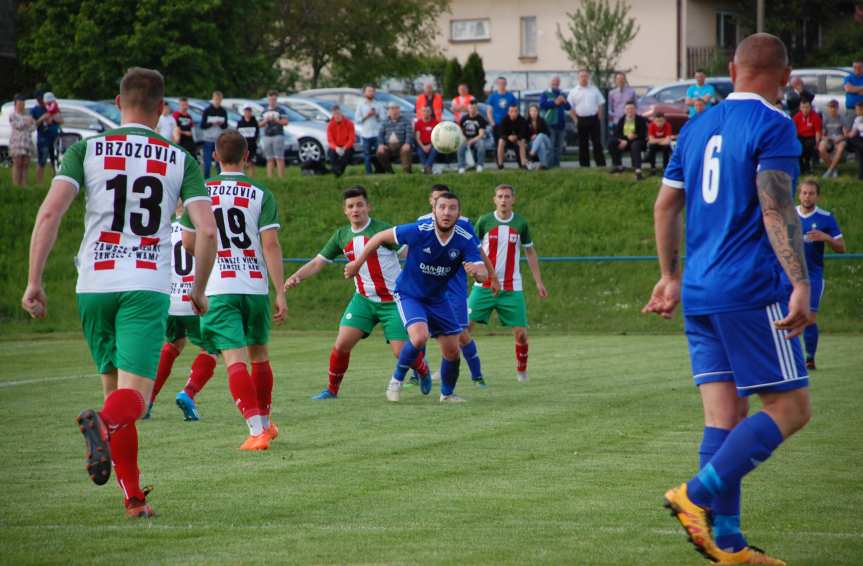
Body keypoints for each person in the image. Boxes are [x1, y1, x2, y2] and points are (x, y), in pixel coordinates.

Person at [643, 33, 812, 565]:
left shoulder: (694, 127)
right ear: (784, 78)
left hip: (700, 290)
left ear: (731, 69)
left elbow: (665, 205)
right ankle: (693, 496)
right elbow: (776, 207)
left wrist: (669, 277)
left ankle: (731, 544)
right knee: (791, 408)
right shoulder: (774, 125)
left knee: (724, 420)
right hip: (750, 289)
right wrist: (801, 283)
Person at [21, 67, 217, 518]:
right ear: (163, 109)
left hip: (93, 284)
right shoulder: (179, 158)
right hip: (144, 285)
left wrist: (34, 281)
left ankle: (132, 499)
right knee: (134, 400)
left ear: (116, 102)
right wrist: (200, 289)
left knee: (115, 390)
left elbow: (49, 215)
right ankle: (103, 426)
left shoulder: (85, 149)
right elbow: (205, 230)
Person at [180, 129, 286, 451]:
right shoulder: (261, 193)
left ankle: (256, 431)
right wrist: (280, 291)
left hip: (220, 286)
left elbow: (187, 242)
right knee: (260, 355)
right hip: (254, 286)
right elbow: (271, 244)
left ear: (214, 156)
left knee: (234, 359)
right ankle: (266, 423)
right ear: (247, 157)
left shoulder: (201, 193)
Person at [285, 186, 432, 400]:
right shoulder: (341, 235)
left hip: (393, 301)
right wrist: (296, 276)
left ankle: (423, 370)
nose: (356, 210)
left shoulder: (382, 231)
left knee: (402, 353)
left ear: (368, 207)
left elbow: (407, 252)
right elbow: (318, 262)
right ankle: (331, 390)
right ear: (345, 211)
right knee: (342, 344)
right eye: (351, 206)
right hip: (363, 300)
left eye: (360, 205)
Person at [344, 192, 488, 403]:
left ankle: (447, 395)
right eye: (442, 207)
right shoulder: (419, 230)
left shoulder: (464, 238)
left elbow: (482, 272)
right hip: (409, 294)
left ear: (459, 213)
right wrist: (357, 264)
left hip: (438, 299)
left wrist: (477, 272)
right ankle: (397, 379)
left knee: (452, 351)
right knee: (419, 337)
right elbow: (378, 237)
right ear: (434, 210)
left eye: (452, 208)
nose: (446, 212)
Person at [145, 202, 219, 421]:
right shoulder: (200, 228)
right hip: (195, 297)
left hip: (170, 300)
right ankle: (189, 392)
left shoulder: (163, 230)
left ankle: (148, 400)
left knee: (174, 343)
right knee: (212, 347)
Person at [419, 185, 498, 389]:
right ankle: (417, 373)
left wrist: (491, 276)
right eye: (438, 202)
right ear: (432, 202)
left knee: (460, 334)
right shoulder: (421, 223)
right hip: (427, 288)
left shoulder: (463, 224)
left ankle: (477, 374)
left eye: (448, 205)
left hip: (453, 288)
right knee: (419, 332)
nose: (444, 210)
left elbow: (478, 252)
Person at [469, 184, 547, 383]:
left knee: (521, 334)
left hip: (512, 287)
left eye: (507, 196)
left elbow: (530, 252)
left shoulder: (521, 223)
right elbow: (471, 249)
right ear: (494, 199)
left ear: (514, 200)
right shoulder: (484, 221)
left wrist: (538, 282)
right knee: (462, 329)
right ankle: (449, 366)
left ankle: (522, 371)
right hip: (484, 286)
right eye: (500, 196)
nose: (503, 200)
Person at [779, 179, 845, 371]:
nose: (807, 196)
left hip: (812, 276)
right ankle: (788, 357)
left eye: (811, 193)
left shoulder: (826, 218)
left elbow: (841, 247)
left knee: (809, 318)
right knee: (784, 316)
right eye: (804, 193)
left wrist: (826, 238)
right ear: (799, 194)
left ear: (817, 196)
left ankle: (810, 357)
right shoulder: (788, 215)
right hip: (788, 275)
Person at [568, 70, 607, 168]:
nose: (584, 78)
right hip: (580, 119)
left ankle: (601, 164)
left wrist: (600, 115)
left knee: (597, 143)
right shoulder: (573, 91)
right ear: (578, 78)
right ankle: (584, 165)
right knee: (583, 144)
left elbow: (601, 102)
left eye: (585, 76)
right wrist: (575, 119)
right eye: (582, 76)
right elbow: (569, 107)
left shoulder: (594, 89)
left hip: (594, 119)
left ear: (588, 77)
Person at [608, 100, 648, 179]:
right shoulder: (622, 120)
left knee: (635, 145)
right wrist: (621, 140)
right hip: (624, 142)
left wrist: (635, 136)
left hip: (638, 141)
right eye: (627, 109)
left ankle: (638, 170)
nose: (630, 110)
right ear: (624, 110)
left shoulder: (640, 119)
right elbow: (616, 134)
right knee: (611, 142)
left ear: (635, 110)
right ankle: (618, 166)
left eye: (632, 109)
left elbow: (643, 134)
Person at [538, 76, 571, 168]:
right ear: (550, 82)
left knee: (559, 148)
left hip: (561, 125)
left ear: (559, 83)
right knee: (550, 146)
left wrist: (564, 102)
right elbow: (542, 105)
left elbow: (568, 107)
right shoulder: (545, 93)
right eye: (553, 81)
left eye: (557, 81)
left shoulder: (562, 93)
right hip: (550, 124)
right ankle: (548, 166)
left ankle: (556, 166)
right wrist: (554, 103)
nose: (555, 83)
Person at [30, 91, 63, 183]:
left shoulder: (52, 107)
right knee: (42, 161)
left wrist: (53, 118)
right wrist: (42, 118)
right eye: (39, 99)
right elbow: (33, 125)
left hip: (54, 136)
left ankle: (55, 179)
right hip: (43, 138)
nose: (41, 101)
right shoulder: (34, 110)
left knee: (55, 160)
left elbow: (61, 120)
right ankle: (39, 182)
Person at [354, 85, 385, 175]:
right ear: (364, 93)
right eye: (369, 91)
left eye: (372, 91)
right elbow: (357, 119)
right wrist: (367, 115)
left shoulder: (378, 104)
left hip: (376, 133)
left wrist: (376, 115)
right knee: (366, 155)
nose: (371, 93)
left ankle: (380, 171)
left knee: (379, 154)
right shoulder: (360, 105)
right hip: (366, 134)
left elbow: (384, 118)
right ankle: (368, 172)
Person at [259, 90, 289, 178]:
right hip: (267, 136)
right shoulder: (264, 111)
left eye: (274, 99)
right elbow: (259, 124)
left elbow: (286, 122)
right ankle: (270, 177)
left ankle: (281, 177)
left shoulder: (281, 110)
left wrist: (277, 120)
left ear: (276, 100)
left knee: (279, 157)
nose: (272, 101)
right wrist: (266, 120)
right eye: (270, 99)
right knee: (269, 158)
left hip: (278, 135)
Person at [376, 102, 413, 174]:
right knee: (380, 152)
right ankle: (390, 172)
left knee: (406, 150)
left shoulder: (406, 121)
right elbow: (380, 134)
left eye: (396, 108)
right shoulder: (384, 122)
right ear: (388, 111)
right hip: (388, 146)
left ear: (399, 110)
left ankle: (407, 173)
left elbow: (409, 133)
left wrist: (407, 143)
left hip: (402, 145)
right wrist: (380, 144)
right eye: (392, 109)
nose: (394, 111)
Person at [9, 94, 36, 187]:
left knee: (25, 164)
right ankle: (16, 185)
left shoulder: (28, 115)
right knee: (17, 163)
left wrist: (27, 123)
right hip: (17, 143)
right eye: (20, 104)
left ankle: (24, 185)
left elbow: (33, 127)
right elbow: (17, 126)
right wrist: (26, 122)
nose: (21, 106)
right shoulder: (12, 115)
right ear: (16, 104)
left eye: (23, 104)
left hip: (27, 143)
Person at [200, 91, 228, 177]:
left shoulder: (223, 111)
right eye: (216, 99)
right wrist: (211, 123)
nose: (217, 101)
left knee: (219, 163)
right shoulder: (207, 110)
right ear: (213, 99)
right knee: (207, 163)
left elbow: (225, 126)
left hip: (218, 140)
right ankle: (206, 181)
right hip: (208, 140)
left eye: (219, 100)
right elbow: (202, 125)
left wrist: (220, 123)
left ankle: (220, 180)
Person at [819, 100, 848, 178]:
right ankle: (833, 169)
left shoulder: (842, 118)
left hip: (839, 138)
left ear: (837, 108)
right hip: (829, 138)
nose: (832, 109)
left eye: (834, 107)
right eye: (830, 107)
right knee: (821, 148)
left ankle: (830, 170)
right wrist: (825, 138)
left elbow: (846, 134)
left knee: (841, 148)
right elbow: (823, 133)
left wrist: (839, 139)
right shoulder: (825, 118)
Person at [457, 100, 488, 173]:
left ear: (476, 109)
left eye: (474, 108)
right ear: (468, 108)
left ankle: (480, 165)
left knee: (481, 145)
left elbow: (481, 134)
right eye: (470, 108)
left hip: (476, 139)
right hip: (465, 138)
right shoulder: (464, 118)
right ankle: (461, 167)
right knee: (460, 146)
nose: (472, 110)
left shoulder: (480, 119)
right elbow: (460, 131)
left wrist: (472, 140)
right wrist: (464, 138)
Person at [792, 99, 822, 174]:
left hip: (811, 137)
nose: (805, 110)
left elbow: (817, 132)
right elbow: (793, 131)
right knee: (798, 147)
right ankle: (802, 168)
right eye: (803, 107)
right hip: (800, 137)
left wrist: (817, 142)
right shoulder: (796, 117)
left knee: (808, 146)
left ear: (810, 107)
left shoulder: (815, 116)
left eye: (807, 107)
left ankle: (808, 166)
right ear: (800, 108)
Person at [486, 76, 518, 145]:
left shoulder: (510, 96)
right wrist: (492, 123)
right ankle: (498, 156)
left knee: (509, 143)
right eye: (499, 83)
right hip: (497, 124)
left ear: (506, 84)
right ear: (497, 84)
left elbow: (515, 109)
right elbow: (489, 111)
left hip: (508, 123)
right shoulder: (492, 96)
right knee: (498, 143)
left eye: (503, 83)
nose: (501, 85)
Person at [326, 104, 356, 178]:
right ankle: (336, 171)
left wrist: (345, 147)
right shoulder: (330, 125)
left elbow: (351, 139)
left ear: (341, 113)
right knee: (331, 154)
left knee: (346, 154)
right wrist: (336, 148)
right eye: (335, 114)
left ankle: (338, 171)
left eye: (338, 114)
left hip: (347, 146)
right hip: (336, 146)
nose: (337, 116)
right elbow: (330, 140)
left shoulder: (349, 123)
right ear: (333, 114)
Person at [497, 105, 529, 169]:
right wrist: (508, 137)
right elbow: (500, 133)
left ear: (518, 112)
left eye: (515, 111)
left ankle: (523, 164)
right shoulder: (504, 120)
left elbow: (524, 133)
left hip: (518, 139)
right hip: (507, 139)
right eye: (511, 111)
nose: (513, 113)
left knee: (522, 142)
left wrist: (516, 137)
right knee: (500, 141)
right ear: (508, 112)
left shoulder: (522, 120)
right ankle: (500, 164)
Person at [526, 104, 552, 170]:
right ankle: (543, 165)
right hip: (533, 143)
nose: (533, 112)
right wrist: (530, 137)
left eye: (535, 111)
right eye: (531, 111)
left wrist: (537, 136)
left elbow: (548, 133)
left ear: (538, 112)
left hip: (546, 141)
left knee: (540, 135)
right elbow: (525, 135)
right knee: (541, 145)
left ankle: (531, 154)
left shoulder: (542, 120)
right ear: (529, 112)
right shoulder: (526, 122)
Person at [414, 105, 439, 174]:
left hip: (433, 144)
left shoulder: (435, 123)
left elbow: (437, 137)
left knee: (434, 150)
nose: (426, 113)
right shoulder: (418, 123)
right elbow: (417, 137)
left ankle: (426, 167)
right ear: (421, 112)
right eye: (424, 111)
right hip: (422, 144)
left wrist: (430, 145)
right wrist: (423, 146)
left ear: (430, 112)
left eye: (428, 111)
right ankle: (428, 168)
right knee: (420, 152)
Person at [236, 106, 260, 178]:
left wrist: (255, 141)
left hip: (252, 146)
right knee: (242, 162)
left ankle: (252, 177)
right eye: (246, 112)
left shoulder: (254, 122)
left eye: (249, 112)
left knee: (251, 162)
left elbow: (257, 134)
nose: (247, 113)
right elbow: (238, 134)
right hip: (243, 146)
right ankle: (242, 177)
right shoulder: (240, 123)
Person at [844, 101, 863, 180]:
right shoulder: (858, 119)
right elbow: (852, 134)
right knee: (851, 141)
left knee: (861, 151)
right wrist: (846, 133)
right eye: (856, 109)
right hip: (860, 140)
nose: (856, 111)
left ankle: (861, 176)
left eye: (858, 110)